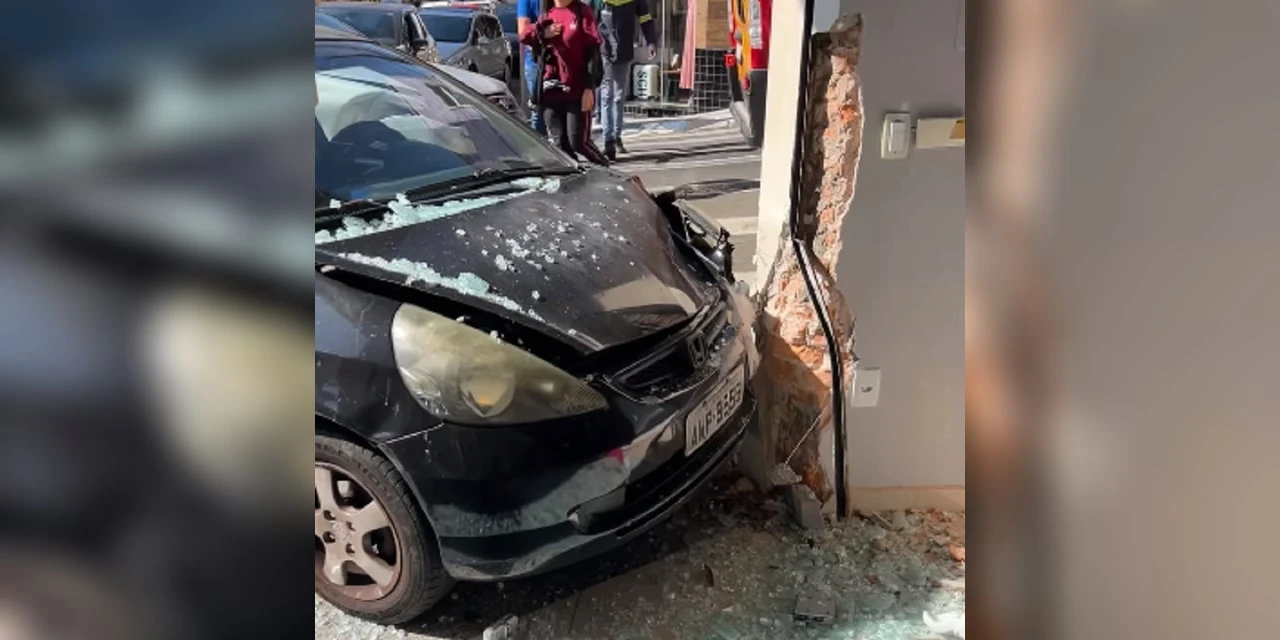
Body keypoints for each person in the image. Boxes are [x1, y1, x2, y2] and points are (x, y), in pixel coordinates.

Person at [521, 0, 609, 164]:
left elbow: (592, 52)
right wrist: (542, 32)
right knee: (560, 145)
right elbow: (524, 35)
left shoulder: (582, 12)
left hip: (577, 90)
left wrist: (588, 89)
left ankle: (605, 169)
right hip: (551, 91)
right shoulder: (547, 15)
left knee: (578, 142)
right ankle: (575, 176)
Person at [596, 0, 656, 160]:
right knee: (607, 93)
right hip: (605, 50)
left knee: (618, 95)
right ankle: (608, 139)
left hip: (624, 50)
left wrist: (650, 42)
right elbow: (590, 21)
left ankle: (616, 137)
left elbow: (645, 18)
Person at [516, 0, 548, 134]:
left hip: (560, 58)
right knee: (539, 110)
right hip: (536, 60)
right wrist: (545, 31)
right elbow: (523, 30)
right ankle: (539, 143)